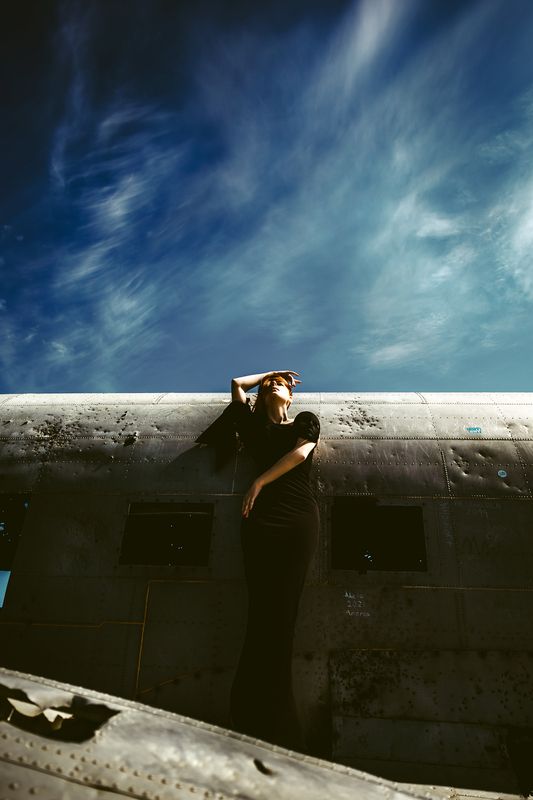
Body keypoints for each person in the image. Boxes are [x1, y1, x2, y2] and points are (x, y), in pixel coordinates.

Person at [196, 370, 320, 750]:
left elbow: (301, 453)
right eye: (269, 386)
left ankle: (278, 724)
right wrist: (268, 374)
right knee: (262, 613)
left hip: (296, 517)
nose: (274, 387)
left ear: (292, 397)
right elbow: (235, 384)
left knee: (283, 616)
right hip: (261, 522)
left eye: (280, 385)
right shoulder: (250, 426)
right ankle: (248, 712)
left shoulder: (304, 422)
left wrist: (260, 481)